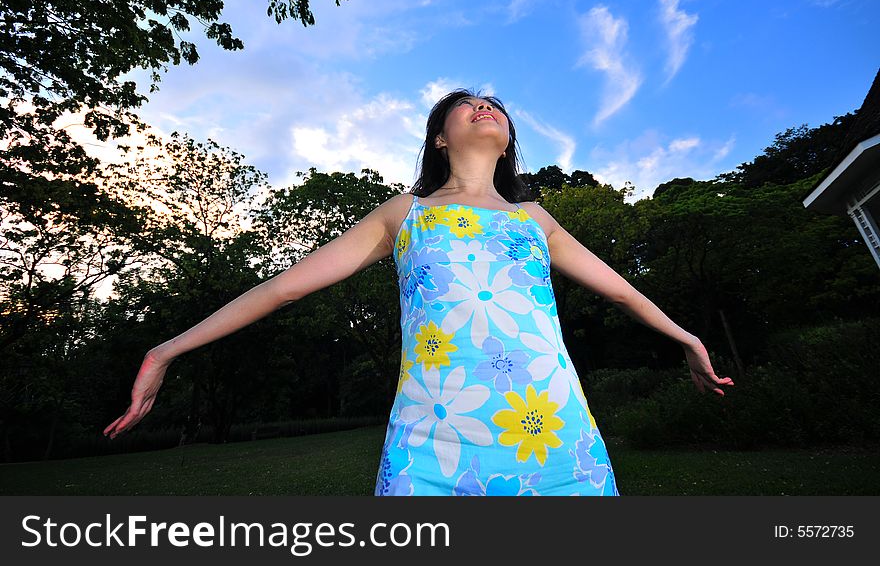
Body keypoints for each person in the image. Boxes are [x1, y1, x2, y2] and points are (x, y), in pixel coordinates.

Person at [104, 88, 734, 495]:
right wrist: (164, 351)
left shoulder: (534, 220)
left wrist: (688, 337)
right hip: (431, 447)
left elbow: (622, 292)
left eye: (495, 104)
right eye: (465, 105)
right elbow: (281, 289)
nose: (484, 106)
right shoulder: (402, 214)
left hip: (556, 442)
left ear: (509, 137)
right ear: (439, 138)